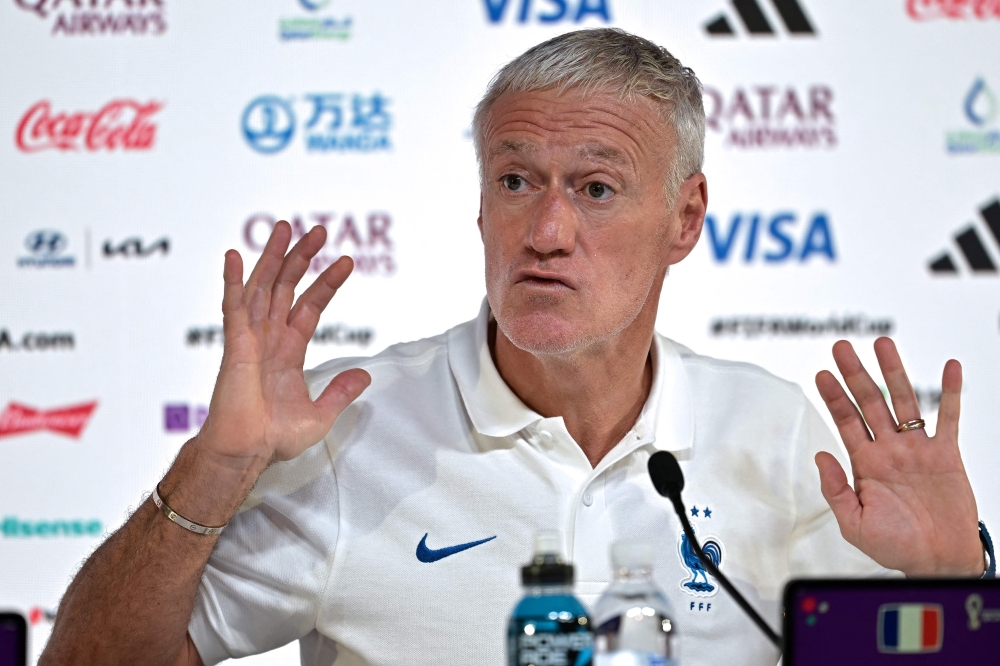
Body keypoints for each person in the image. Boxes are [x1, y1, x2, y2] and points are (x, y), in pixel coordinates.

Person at [39, 29, 988, 666]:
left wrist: (957, 581)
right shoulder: (345, 428)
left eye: (597, 189)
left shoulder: (783, 436)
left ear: (686, 217)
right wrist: (217, 463)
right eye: (517, 180)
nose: (546, 230)